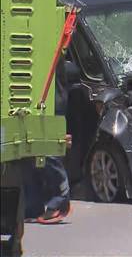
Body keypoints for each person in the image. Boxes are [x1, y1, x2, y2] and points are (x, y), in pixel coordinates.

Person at [23, 60, 72, 224]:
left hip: (51, 98)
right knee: (28, 149)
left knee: (48, 150)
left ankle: (60, 201)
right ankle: (32, 207)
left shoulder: (55, 36)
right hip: (30, 93)